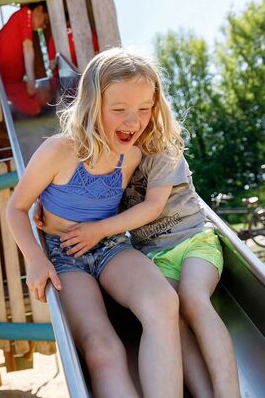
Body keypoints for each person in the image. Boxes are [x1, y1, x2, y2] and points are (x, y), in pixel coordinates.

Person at [7, 47, 183, 398]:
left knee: (164, 303)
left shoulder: (134, 153)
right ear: (92, 104)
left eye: (144, 109)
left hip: (113, 246)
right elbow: (16, 208)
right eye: (119, 110)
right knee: (103, 348)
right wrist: (37, 260)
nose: (133, 121)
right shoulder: (59, 150)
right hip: (64, 257)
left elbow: (159, 191)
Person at [56, 136, 241, 395]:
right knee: (170, 315)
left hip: (194, 241)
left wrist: (97, 229)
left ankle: (228, 393)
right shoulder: (107, 162)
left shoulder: (161, 148)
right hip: (155, 257)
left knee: (192, 297)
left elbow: (153, 207)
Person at [0, 1, 48, 99]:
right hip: (6, 85)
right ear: (39, 9)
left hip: (9, 85)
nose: (44, 26)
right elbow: (28, 48)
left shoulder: (21, 18)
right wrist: (31, 82)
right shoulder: (26, 13)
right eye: (45, 20)